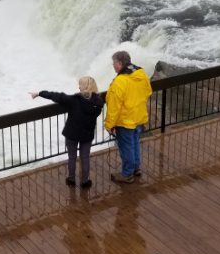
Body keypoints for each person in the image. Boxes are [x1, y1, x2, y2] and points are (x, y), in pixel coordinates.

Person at [31, 77, 104, 188]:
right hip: (87, 133)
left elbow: (56, 96)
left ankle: (71, 179)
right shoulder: (98, 102)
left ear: (84, 86)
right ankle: (85, 181)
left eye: (80, 85)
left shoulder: (74, 100)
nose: (78, 86)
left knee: (72, 157)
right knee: (85, 157)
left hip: (72, 133)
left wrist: (39, 93)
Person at [105, 50, 153, 184]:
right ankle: (136, 168)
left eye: (114, 63)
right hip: (138, 116)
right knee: (135, 143)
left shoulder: (120, 81)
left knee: (126, 147)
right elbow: (148, 91)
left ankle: (127, 174)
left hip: (125, 121)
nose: (113, 66)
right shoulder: (141, 73)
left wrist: (109, 125)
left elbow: (114, 106)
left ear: (120, 64)